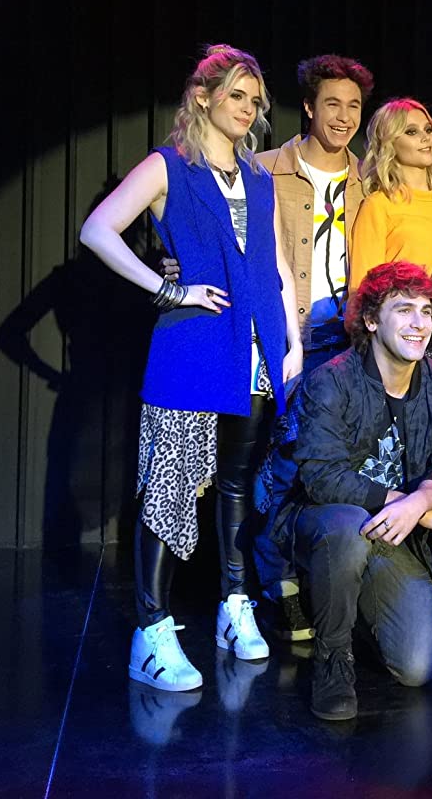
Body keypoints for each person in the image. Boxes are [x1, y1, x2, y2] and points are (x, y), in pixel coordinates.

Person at [79, 44, 301, 691]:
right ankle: (151, 633)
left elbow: (276, 263)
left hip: (256, 348)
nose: (248, 109)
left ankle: (234, 606)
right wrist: (168, 290)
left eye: (256, 101)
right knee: (169, 489)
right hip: (193, 346)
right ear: (203, 96)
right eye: (237, 95)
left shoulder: (257, 175)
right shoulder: (168, 165)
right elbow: (98, 230)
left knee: (236, 484)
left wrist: (290, 338)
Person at [264, 262, 432, 721]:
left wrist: (422, 501)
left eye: (426, 312)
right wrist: (410, 506)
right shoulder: (331, 380)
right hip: (324, 522)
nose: (420, 323)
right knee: (346, 526)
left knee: (416, 668)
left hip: (392, 534)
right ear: (373, 320)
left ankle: (344, 607)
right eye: (404, 310)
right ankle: (332, 659)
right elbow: (321, 476)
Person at [349, 98, 432, 635]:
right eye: (412, 131)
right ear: (389, 142)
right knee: (398, 466)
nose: (427, 137)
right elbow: (364, 291)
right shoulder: (379, 204)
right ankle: (388, 592)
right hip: (395, 341)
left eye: (429, 128)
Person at [250, 53, 374, 643]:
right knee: (282, 461)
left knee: (332, 463)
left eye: (354, 105)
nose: (344, 116)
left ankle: (324, 578)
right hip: (286, 335)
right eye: (332, 103)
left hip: (350, 339)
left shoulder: (371, 178)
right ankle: (277, 584)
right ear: (307, 106)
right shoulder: (264, 169)